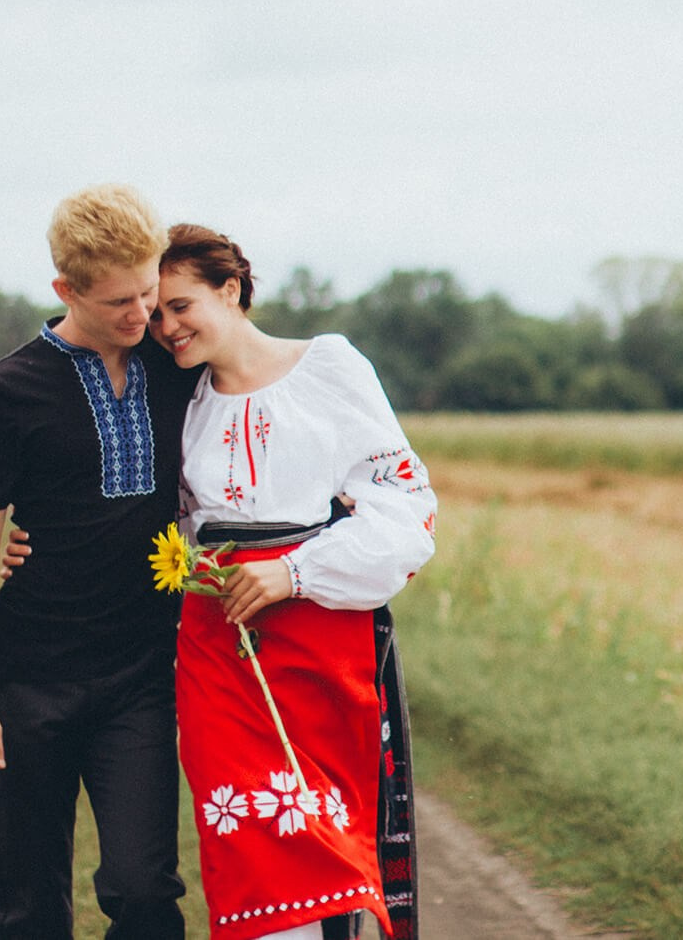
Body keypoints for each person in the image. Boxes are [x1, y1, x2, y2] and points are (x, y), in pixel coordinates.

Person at [151, 224, 436, 940]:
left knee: (327, 841)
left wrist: (295, 571)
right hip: (219, 644)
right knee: (247, 845)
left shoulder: (329, 368)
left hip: (319, 636)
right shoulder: (175, 396)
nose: (167, 327)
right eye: (154, 314)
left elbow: (408, 506)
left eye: (180, 305)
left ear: (231, 288)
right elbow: (140, 511)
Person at [0, 184, 198, 938]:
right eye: (119, 300)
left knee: (146, 889)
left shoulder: (176, 362)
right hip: (29, 682)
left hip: (141, 678)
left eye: (149, 290)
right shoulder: (6, 391)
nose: (141, 314)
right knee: (28, 905)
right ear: (65, 289)